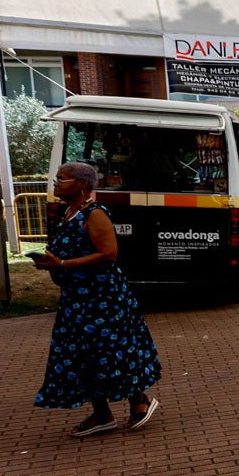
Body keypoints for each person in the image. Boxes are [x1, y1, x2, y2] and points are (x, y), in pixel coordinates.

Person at [32, 162, 162, 436]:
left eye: (62, 179)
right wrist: (50, 262)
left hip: (103, 299)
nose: (56, 183)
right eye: (56, 178)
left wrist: (64, 264)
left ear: (83, 185)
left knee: (113, 349)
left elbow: (109, 253)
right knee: (82, 355)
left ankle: (139, 400)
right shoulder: (68, 213)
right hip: (76, 301)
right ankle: (101, 413)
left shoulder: (95, 213)